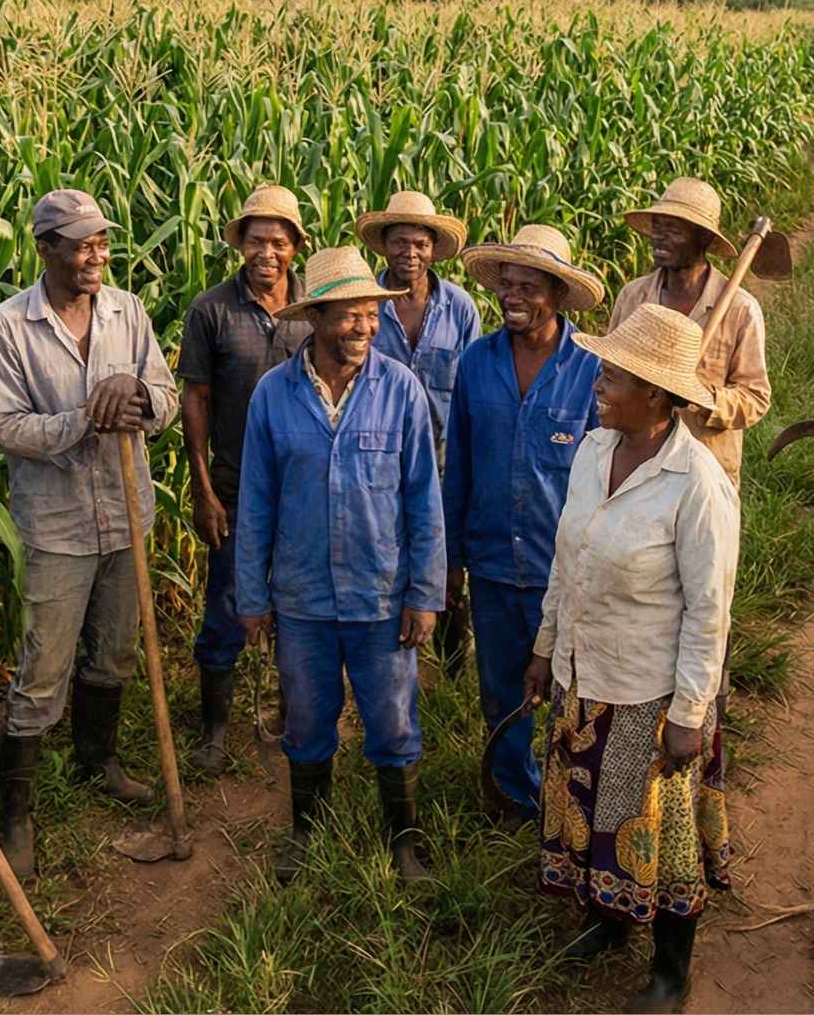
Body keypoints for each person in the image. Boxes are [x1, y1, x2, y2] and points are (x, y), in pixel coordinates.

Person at [523, 304, 738, 1015]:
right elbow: (567, 557)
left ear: (657, 396)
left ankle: (672, 972)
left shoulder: (697, 484)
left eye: (613, 375)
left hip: (647, 693)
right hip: (583, 676)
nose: (598, 383)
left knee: (654, 832)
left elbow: (710, 612)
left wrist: (689, 713)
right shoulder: (592, 450)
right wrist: (545, 646)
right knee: (594, 812)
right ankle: (606, 921)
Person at [0, 189, 180, 876]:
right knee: (43, 670)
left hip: (126, 513)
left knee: (116, 652)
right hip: (58, 525)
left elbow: (166, 398)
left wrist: (140, 398)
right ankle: (18, 815)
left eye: (101, 243)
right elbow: (7, 427)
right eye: (80, 244)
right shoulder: (8, 327)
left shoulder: (128, 312)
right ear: (46, 249)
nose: (95, 256)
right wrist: (82, 420)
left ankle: (99, 764)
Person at [232, 247, 445, 885]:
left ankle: (403, 843)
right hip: (301, 598)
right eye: (349, 316)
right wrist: (252, 597)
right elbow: (256, 503)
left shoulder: (400, 389)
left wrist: (425, 593)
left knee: (393, 719)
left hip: (381, 596)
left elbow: (423, 498)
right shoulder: (273, 396)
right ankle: (306, 833)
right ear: (316, 318)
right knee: (306, 717)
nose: (364, 328)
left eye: (371, 316)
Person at [445, 224, 603, 822]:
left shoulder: (590, 369)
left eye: (528, 285)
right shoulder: (475, 363)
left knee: (572, 691)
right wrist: (452, 563)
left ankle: (571, 805)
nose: (513, 295)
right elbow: (456, 466)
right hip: (491, 564)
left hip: (564, 568)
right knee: (502, 692)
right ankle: (514, 797)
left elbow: (607, 477)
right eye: (507, 284)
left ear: (557, 295)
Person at [612, 178, 770, 715]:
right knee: (642, 603)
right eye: (658, 223)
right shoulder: (634, 297)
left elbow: (754, 398)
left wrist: (699, 399)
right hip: (635, 473)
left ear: (702, 239)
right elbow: (614, 372)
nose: (660, 234)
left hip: (704, 480)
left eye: (673, 227)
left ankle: (700, 723)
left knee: (703, 607)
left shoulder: (739, 308)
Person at [178, 185, 313, 772]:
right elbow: (196, 400)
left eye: (278, 241)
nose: (267, 252)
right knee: (227, 604)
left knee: (298, 604)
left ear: (294, 247)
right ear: (242, 246)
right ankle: (213, 730)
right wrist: (203, 490)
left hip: (302, 489)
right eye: (257, 240)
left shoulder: (314, 306)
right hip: (234, 488)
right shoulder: (212, 309)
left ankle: (293, 715)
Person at [358, 190, 481, 675]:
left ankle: (451, 669)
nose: (410, 253)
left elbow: (470, 391)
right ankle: (390, 662)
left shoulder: (459, 308)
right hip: (384, 464)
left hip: (448, 462)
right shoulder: (366, 304)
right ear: (383, 247)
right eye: (400, 242)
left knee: (451, 568)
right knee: (390, 562)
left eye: (420, 244)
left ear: (433, 249)